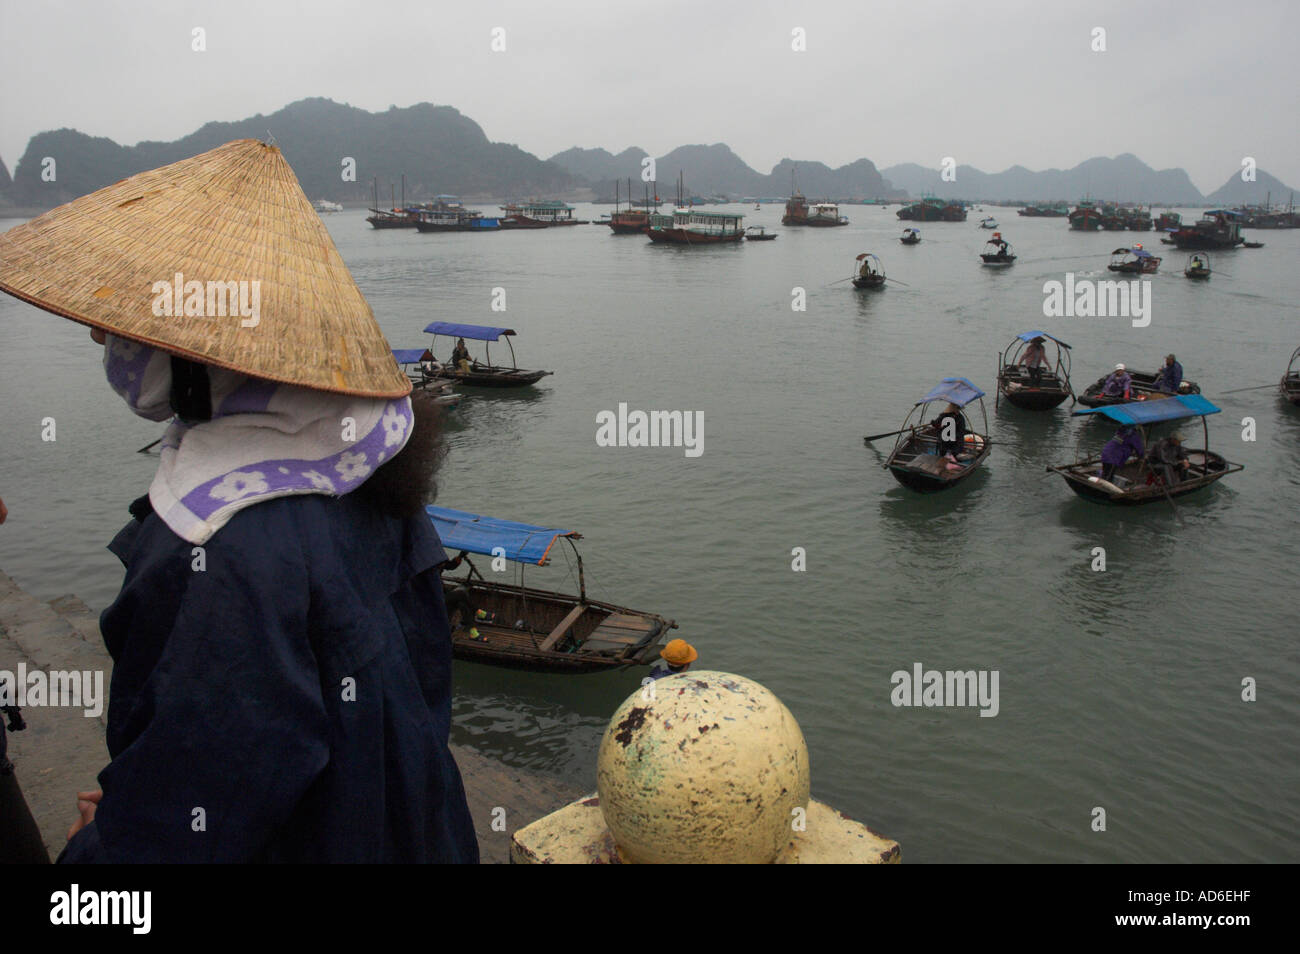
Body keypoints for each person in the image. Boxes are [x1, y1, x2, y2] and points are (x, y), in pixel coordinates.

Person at [0, 139, 478, 863]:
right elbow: (413, 705)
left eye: (128, 327)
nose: (105, 337)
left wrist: (97, 854)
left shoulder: (214, 545)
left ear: (203, 355)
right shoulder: (367, 460)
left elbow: (182, 832)